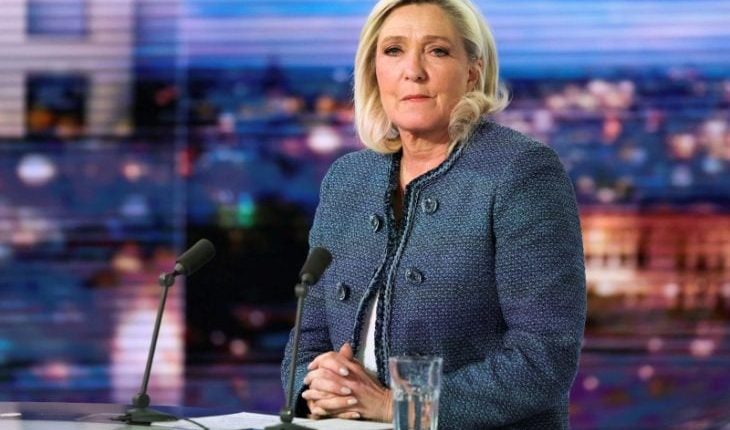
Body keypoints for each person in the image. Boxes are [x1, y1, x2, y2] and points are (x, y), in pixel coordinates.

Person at [281, 0, 587, 428]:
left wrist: (395, 406)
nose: (413, 71)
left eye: (437, 51)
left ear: (473, 71)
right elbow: (308, 337)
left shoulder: (520, 171)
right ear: (373, 70)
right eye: (393, 51)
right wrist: (315, 388)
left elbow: (544, 357)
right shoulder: (347, 179)